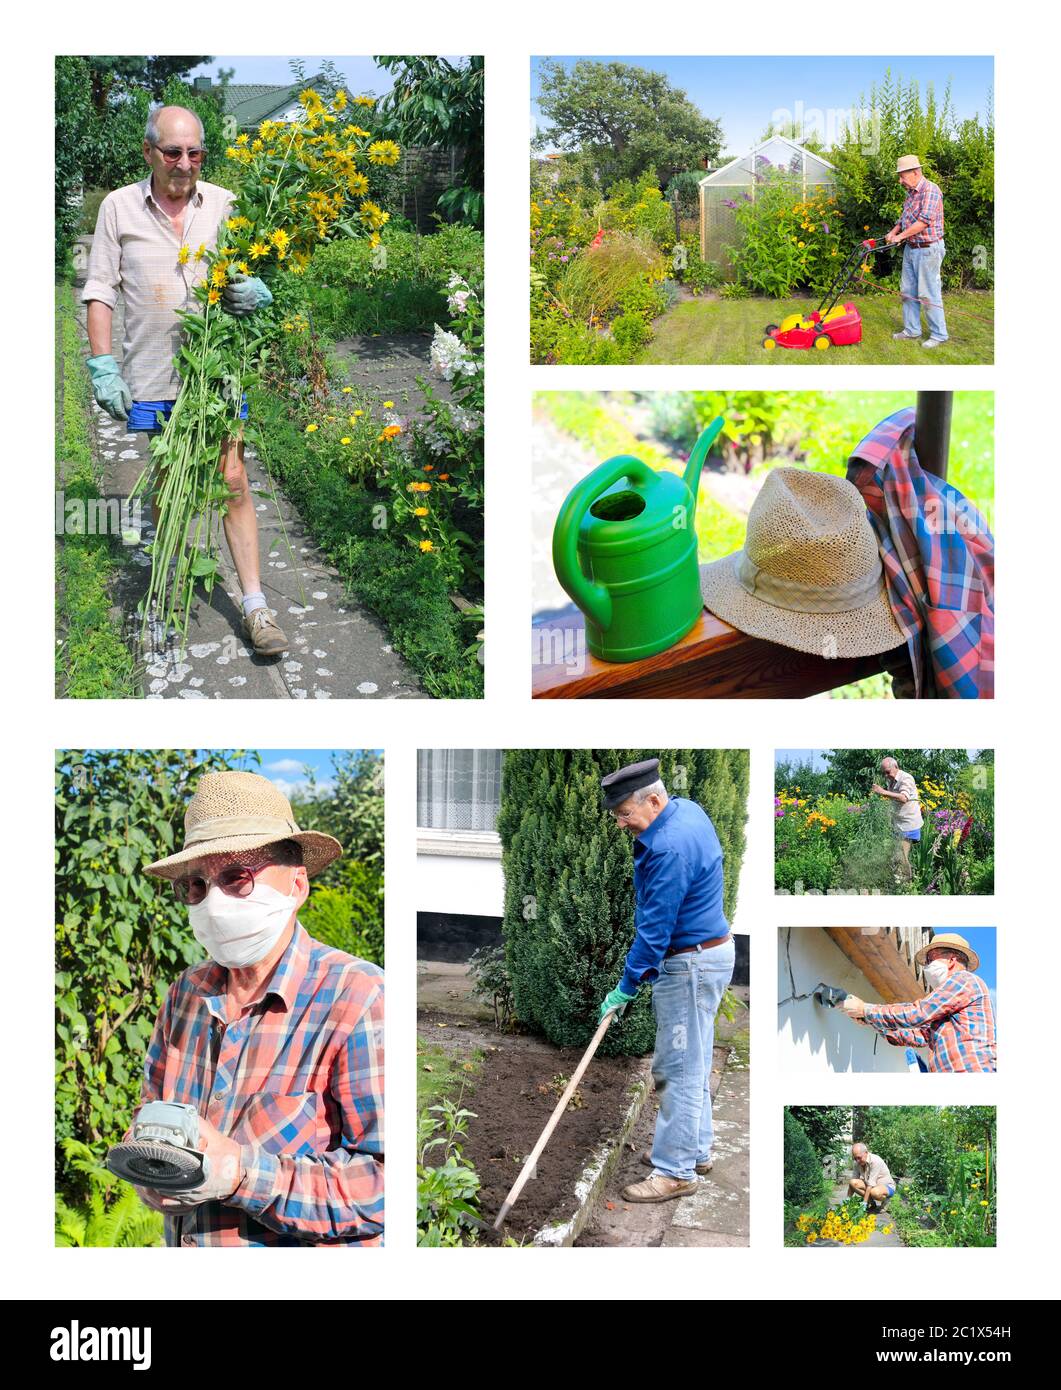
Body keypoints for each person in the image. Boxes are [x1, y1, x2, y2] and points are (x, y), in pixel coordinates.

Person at [134, 770, 384, 1245]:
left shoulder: (358, 998)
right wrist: (153, 1168)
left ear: (297, 885)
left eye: (236, 877)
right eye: (195, 886)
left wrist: (238, 1174)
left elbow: (382, 1187)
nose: (213, 904)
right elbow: (149, 1113)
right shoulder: (185, 995)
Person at [82, 104, 287, 655]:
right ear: (148, 151)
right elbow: (100, 290)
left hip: (217, 370)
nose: (184, 163)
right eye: (172, 152)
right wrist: (101, 364)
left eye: (195, 152)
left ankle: (254, 604)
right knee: (170, 485)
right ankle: (164, 598)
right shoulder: (118, 209)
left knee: (234, 479)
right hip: (152, 373)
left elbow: (254, 271)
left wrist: (257, 294)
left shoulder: (226, 205)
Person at [597, 759, 734, 1204]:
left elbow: (654, 933)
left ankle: (675, 1172)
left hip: (690, 964)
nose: (621, 824)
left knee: (676, 1068)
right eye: (617, 815)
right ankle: (695, 1152)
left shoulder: (668, 848)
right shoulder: (688, 810)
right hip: (712, 953)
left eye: (625, 814)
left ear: (654, 800)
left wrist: (627, 987)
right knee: (693, 1059)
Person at [841, 933, 995, 1072]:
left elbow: (918, 1013)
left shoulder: (964, 980)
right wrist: (870, 1019)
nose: (927, 966)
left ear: (951, 960)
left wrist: (865, 1009)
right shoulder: (948, 1005)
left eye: (931, 959)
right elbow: (918, 1036)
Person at [887, 155, 948, 348]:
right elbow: (904, 218)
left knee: (928, 293)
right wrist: (894, 232)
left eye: (902, 176)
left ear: (915, 172)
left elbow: (923, 222)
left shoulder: (931, 190)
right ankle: (912, 330)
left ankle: (939, 335)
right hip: (911, 249)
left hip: (928, 249)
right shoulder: (911, 193)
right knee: (907, 292)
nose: (900, 181)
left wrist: (900, 237)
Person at [871, 756, 923, 881]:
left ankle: (907, 885)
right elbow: (892, 799)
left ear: (896, 767)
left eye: (887, 772)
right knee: (897, 856)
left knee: (901, 856)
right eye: (884, 773)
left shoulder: (906, 778)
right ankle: (901, 882)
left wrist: (883, 792)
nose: (886, 775)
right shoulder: (891, 781)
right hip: (898, 824)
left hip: (908, 824)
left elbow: (903, 798)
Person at [848, 1142, 895, 1214]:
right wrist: (847, 1200)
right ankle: (872, 1203)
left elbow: (870, 1184)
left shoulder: (875, 1161)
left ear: (866, 1153)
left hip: (887, 1186)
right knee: (853, 1183)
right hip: (871, 1186)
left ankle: (886, 1200)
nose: (857, 1160)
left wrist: (864, 1203)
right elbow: (853, 1182)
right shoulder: (857, 1162)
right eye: (855, 1158)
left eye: (859, 1157)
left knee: (874, 1192)